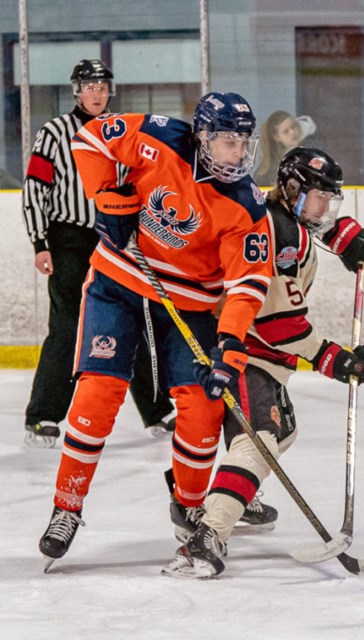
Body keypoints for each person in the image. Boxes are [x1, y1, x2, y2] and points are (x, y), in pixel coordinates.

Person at [37, 91, 275, 569]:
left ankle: (189, 505)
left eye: (243, 142)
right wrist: (107, 195)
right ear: (202, 136)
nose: (238, 153)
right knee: (96, 395)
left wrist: (230, 343)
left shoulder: (247, 207)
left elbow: (248, 286)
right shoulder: (159, 135)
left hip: (188, 307)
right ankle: (66, 507)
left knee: (204, 405)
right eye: (228, 141)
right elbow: (90, 138)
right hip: (118, 282)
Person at [163, 147, 364, 578]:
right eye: (320, 197)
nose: (326, 207)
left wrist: (345, 236)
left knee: (281, 430)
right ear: (294, 189)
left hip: (250, 349)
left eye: (330, 199)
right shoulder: (280, 235)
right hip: (245, 350)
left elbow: (306, 231)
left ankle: (231, 496)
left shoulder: (282, 217)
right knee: (260, 437)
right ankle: (208, 532)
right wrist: (335, 360)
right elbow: (279, 323)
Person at [20, 59, 174, 448]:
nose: (96, 93)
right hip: (68, 240)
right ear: (76, 91)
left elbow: (139, 180)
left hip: (115, 237)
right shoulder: (55, 132)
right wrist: (41, 243)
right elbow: (35, 189)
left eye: (102, 87)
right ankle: (42, 417)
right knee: (69, 326)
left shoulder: (122, 130)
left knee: (134, 318)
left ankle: (157, 410)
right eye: (89, 87)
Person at [253, 110, 319, 186]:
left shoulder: (314, 149)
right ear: (277, 137)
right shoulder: (268, 172)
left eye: (293, 127)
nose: (292, 132)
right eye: (285, 131)